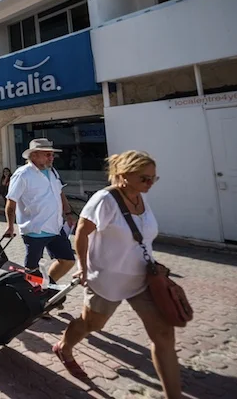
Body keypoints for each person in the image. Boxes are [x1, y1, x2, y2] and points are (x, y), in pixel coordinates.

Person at [52, 151, 181, 398]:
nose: (150, 184)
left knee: (164, 336)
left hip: (144, 279)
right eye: (144, 178)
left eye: (154, 178)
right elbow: (82, 231)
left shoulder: (142, 197)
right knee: (92, 324)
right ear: (123, 176)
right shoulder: (105, 199)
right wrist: (83, 267)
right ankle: (64, 347)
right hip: (107, 279)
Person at [4, 138, 77, 283]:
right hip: (35, 228)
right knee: (32, 269)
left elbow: (60, 193)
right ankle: (31, 296)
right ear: (34, 156)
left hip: (55, 226)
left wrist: (68, 212)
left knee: (68, 260)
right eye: (47, 154)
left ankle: (47, 287)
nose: (51, 158)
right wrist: (10, 226)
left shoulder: (53, 172)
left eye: (52, 155)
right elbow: (11, 202)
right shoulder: (22, 174)